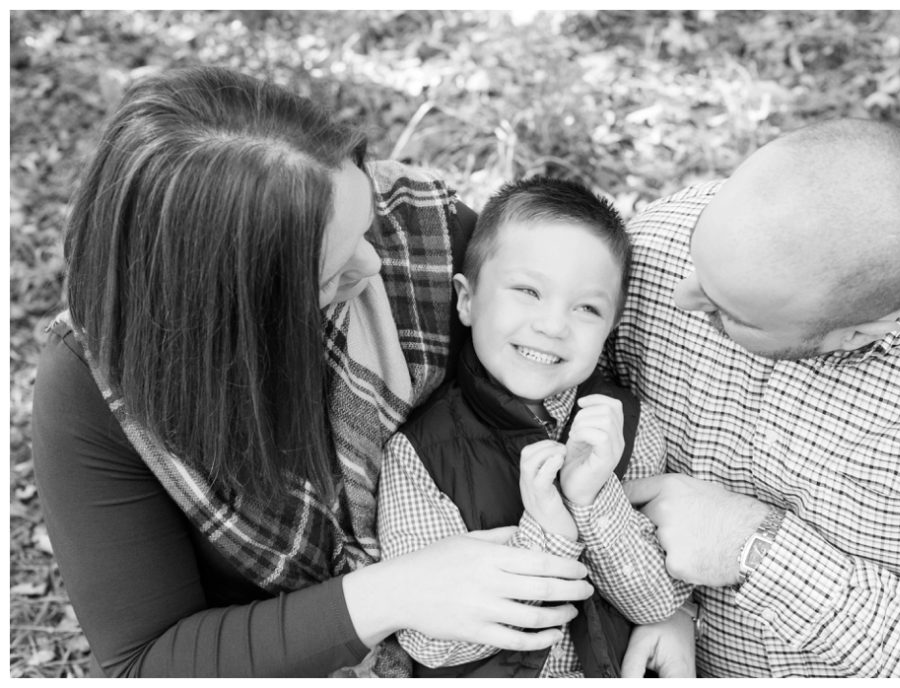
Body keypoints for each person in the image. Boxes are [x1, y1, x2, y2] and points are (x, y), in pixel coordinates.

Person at [30, 65, 598, 678]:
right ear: (231, 308)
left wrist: (648, 580)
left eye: (366, 218)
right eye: (329, 275)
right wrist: (393, 593)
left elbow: (577, 356)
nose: (376, 265)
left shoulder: (425, 237)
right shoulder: (95, 390)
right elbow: (147, 661)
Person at [609, 118, 900, 677]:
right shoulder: (659, 239)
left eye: (729, 315)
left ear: (857, 334)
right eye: (697, 255)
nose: (680, 296)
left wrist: (754, 550)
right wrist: (654, 599)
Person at [377, 177, 690, 677]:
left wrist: (593, 498)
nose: (553, 325)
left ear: (610, 328)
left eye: (586, 307)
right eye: (528, 291)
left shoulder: (627, 426)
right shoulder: (421, 453)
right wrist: (547, 534)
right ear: (467, 300)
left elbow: (655, 604)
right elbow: (430, 643)